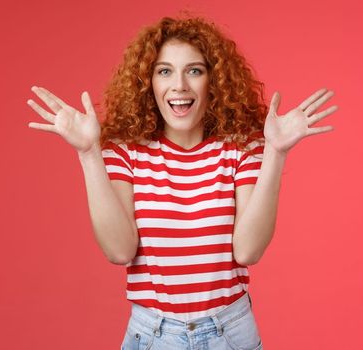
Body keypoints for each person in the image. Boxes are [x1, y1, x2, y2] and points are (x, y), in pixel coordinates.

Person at [27, 15, 338, 350]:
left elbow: (248, 250)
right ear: (148, 82)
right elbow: (119, 251)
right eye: (164, 71)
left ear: (213, 80)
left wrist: (275, 153)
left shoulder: (241, 149)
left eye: (194, 70)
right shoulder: (125, 153)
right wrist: (89, 153)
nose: (179, 85)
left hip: (229, 333)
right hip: (151, 335)